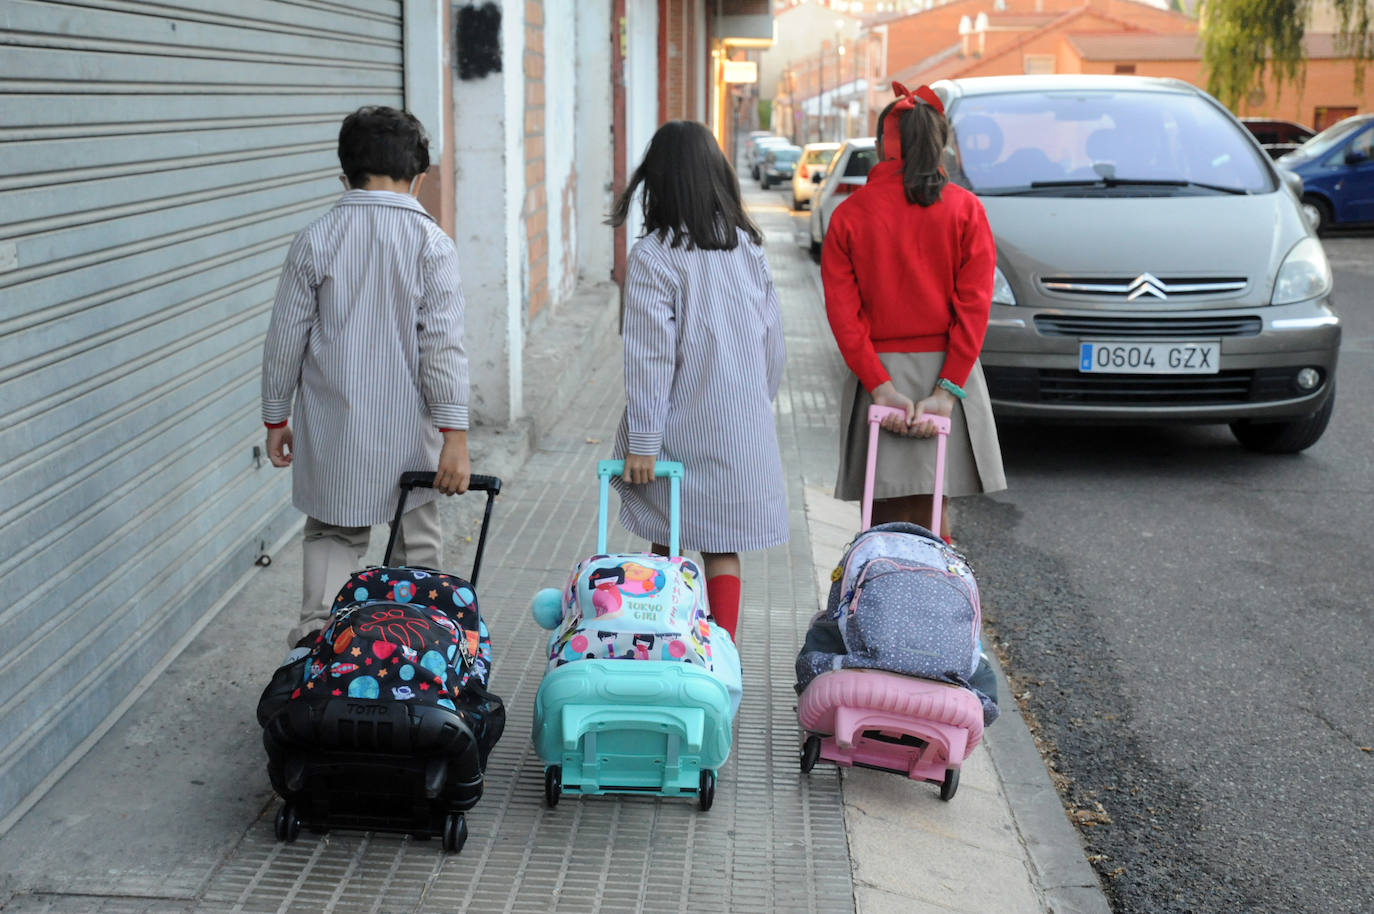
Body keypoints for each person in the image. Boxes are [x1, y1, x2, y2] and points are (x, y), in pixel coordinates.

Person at [260, 106, 470, 647]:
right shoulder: (431, 244)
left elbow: (285, 337)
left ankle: (318, 641)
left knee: (332, 532)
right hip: (410, 434)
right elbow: (442, 347)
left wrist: (276, 417)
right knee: (415, 539)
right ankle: (412, 647)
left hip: (334, 430)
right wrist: (455, 437)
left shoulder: (315, 238)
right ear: (418, 179)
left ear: (343, 176)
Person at [606, 119, 788, 639]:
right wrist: (755, 403)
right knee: (722, 545)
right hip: (741, 426)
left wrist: (641, 441)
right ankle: (722, 659)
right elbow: (772, 341)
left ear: (657, 182)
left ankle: (662, 642)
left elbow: (649, 357)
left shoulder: (654, 255)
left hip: (679, 428)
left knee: (668, 538)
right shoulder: (746, 247)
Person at [822, 83, 1006, 539]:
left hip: (880, 376)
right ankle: (934, 603)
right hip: (947, 373)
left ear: (885, 145)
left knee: (880, 515)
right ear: (939, 142)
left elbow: (844, 317)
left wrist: (879, 385)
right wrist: (947, 389)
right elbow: (975, 307)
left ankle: (880, 601)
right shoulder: (967, 211)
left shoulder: (850, 215)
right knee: (932, 511)